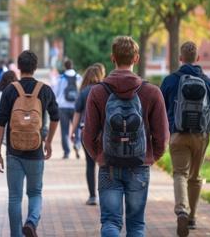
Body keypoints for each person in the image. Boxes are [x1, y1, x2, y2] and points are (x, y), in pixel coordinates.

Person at [82, 36, 169, 236]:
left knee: (110, 223)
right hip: (139, 166)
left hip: (109, 165)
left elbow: (88, 136)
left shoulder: (97, 92)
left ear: (113, 58)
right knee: (136, 225)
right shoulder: (151, 92)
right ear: (136, 59)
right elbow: (163, 136)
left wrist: (99, 157)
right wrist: (150, 157)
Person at [160, 41, 210, 237]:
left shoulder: (170, 81)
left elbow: (160, 113)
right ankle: (192, 218)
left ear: (181, 58)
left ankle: (181, 210)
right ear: (198, 58)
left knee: (180, 173)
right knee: (194, 177)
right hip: (201, 136)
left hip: (178, 134)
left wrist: (159, 139)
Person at [0, 50, 59, 237]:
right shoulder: (44, 90)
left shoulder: (10, 90)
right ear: (36, 68)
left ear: (19, 67)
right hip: (36, 150)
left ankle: (17, 234)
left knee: (14, 197)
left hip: (14, 152)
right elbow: (56, 116)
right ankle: (31, 221)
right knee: (35, 193)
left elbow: (0, 122)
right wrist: (49, 141)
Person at [70, 64, 106, 206]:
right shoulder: (104, 90)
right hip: (104, 132)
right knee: (104, 164)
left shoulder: (84, 92)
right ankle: (106, 195)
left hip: (86, 131)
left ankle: (92, 196)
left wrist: (73, 133)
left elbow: (77, 114)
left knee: (90, 165)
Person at [52, 59, 82, 159]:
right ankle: (77, 144)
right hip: (76, 107)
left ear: (65, 67)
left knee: (64, 130)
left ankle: (66, 152)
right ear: (72, 66)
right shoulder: (78, 78)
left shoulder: (61, 78)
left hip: (63, 107)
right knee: (77, 128)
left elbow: (55, 92)